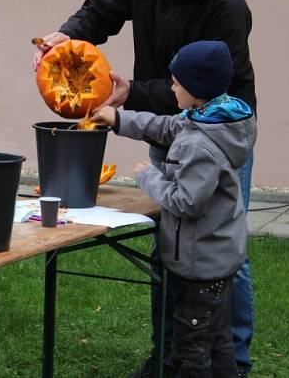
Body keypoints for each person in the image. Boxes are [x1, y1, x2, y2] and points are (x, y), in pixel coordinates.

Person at [33, 0, 256, 377]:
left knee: (221, 248)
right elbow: (99, 11)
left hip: (217, 130)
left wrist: (133, 98)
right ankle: (170, 356)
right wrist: (67, 35)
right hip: (170, 120)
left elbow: (205, 93)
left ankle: (231, 360)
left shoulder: (227, 8)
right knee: (171, 243)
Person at [92, 40, 256, 377]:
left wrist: (149, 178)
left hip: (199, 266)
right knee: (218, 340)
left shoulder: (200, 144)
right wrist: (118, 119)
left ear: (195, 90)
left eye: (176, 82)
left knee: (191, 347)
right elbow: (164, 127)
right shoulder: (212, 118)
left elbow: (186, 202)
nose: (171, 87)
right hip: (217, 258)